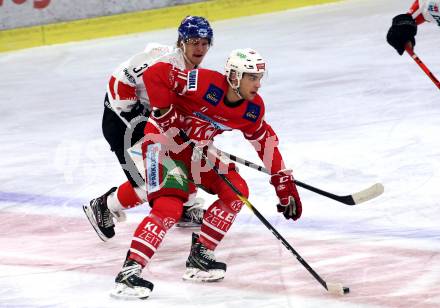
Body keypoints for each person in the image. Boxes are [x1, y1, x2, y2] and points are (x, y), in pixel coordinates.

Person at [110, 48, 303, 299]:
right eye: (251, 77)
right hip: (162, 143)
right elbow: (156, 73)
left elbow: (263, 139)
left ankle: (200, 256)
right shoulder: (204, 83)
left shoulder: (252, 109)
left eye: (259, 78)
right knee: (169, 207)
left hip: (196, 151)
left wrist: (281, 181)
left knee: (236, 192)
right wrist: (164, 112)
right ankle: (129, 271)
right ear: (234, 77)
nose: (258, 84)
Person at [83, 16, 214, 242]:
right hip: (122, 123)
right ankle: (105, 206)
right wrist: (136, 116)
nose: (200, 48)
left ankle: (186, 207)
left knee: (187, 159)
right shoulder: (163, 62)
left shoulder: (191, 69)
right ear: (181, 42)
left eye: (204, 43)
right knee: (153, 184)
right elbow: (119, 80)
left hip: (148, 120)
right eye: (194, 42)